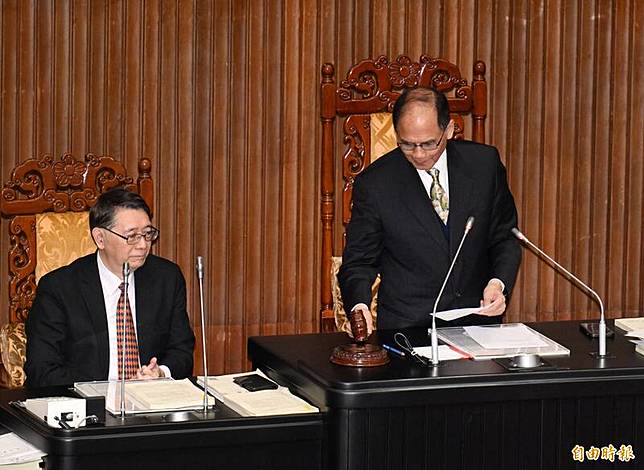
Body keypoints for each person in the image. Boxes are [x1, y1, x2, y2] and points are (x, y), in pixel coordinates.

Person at [338, 87, 521, 334]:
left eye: (428, 143)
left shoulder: (484, 165)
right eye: (407, 145)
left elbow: (505, 237)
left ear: (449, 129)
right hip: (408, 328)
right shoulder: (376, 184)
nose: (419, 154)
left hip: (478, 323)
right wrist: (359, 304)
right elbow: (359, 261)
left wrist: (498, 283)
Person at [25, 188, 195, 387]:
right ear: (100, 238)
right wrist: (107, 392)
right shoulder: (59, 289)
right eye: (131, 236)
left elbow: (182, 351)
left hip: (152, 406)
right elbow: (42, 368)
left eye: (147, 234)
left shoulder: (166, 278)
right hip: (88, 408)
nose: (142, 245)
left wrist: (160, 373)